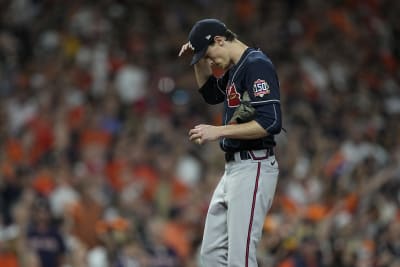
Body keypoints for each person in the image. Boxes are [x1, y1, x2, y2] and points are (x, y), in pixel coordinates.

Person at [179, 18, 282, 266]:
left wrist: (219, 131)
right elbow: (211, 93)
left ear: (220, 40)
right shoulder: (237, 66)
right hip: (234, 170)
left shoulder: (256, 65)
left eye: (209, 53)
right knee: (211, 255)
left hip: (253, 166)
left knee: (240, 259)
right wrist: (198, 59)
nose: (210, 61)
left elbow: (271, 122)